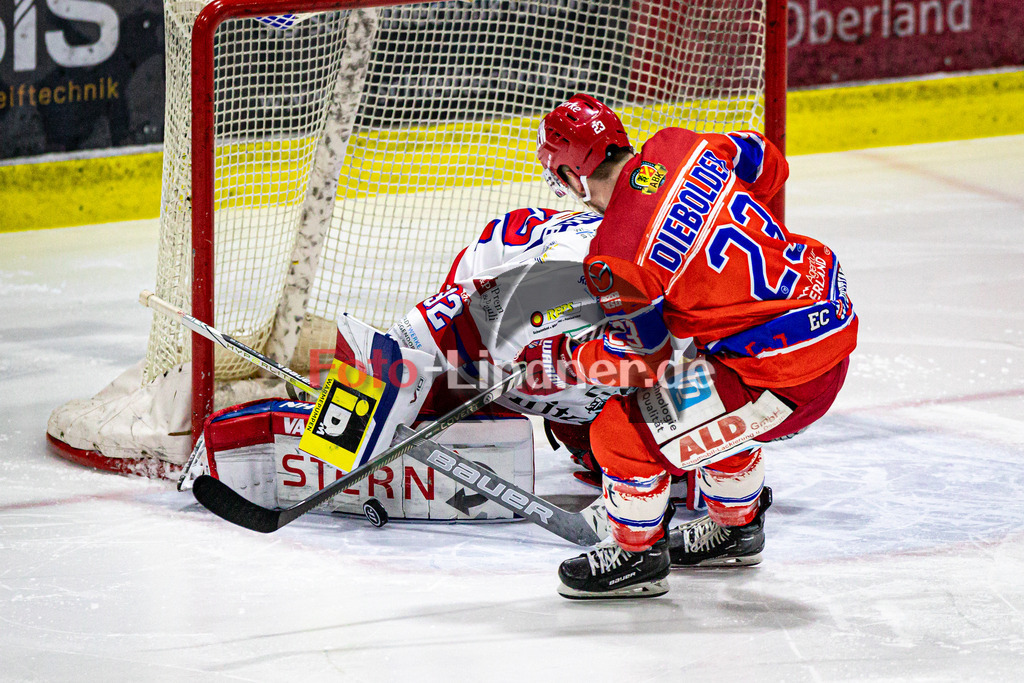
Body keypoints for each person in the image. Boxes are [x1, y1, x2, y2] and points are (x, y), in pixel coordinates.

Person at [526, 94, 858, 599]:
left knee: (620, 432)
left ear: (573, 177)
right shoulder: (680, 146)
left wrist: (573, 358)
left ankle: (637, 559)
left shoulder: (614, 251)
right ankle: (735, 531)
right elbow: (770, 164)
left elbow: (641, 363)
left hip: (786, 376)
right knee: (704, 390)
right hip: (825, 315)